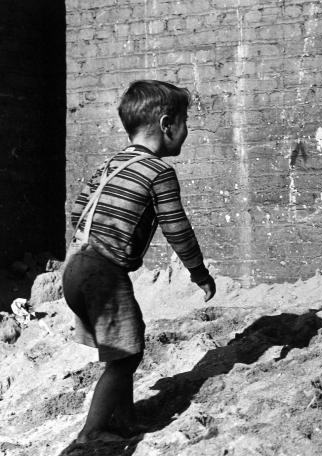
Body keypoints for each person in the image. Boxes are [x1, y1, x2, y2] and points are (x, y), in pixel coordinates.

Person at [62, 80, 216, 443]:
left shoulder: (110, 164)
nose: (187, 130)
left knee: (121, 349)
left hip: (74, 266)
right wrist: (198, 272)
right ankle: (92, 432)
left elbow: (77, 212)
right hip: (103, 272)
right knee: (127, 357)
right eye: (185, 121)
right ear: (167, 125)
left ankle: (124, 420)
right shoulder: (159, 172)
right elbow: (177, 228)